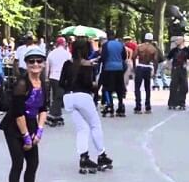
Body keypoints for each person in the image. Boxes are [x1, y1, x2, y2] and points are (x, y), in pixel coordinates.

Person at [1, 49, 50, 182]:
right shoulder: (22, 84)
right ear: (26, 64)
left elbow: (44, 108)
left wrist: (39, 130)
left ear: (43, 63)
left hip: (31, 123)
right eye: (31, 62)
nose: (35, 64)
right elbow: (18, 112)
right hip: (14, 126)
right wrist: (26, 137)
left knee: (33, 162)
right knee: (18, 162)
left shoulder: (44, 83)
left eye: (39, 61)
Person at [61, 39, 111, 173]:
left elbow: (61, 82)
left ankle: (84, 157)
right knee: (95, 125)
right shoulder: (87, 65)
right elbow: (88, 84)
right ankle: (102, 155)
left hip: (68, 97)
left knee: (82, 129)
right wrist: (95, 86)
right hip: (83, 97)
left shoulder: (67, 64)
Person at [100, 32, 127, 117]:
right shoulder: (120, 44)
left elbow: (103, 57)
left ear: (108, 37)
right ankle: (121, 105)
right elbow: (124, 56)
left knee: (107, 88)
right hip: (119, 68)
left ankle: (110, 105)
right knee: (119, 87)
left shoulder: (105, 45)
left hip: (109, 68)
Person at [45, 37, 71, 126]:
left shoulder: (51, 53)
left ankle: (58, 115)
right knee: (59, 97)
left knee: (56, 96)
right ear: (64, 43)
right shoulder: (67, 54)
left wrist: (46, 77)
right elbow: (70, 66)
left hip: (53, 77)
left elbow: (47, 66)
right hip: (62, 78)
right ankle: (51, 115)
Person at [133, 33, 159, 114]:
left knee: (137, 87)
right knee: (147, 88)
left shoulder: (139, 47)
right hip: (148, 67)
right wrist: (154, 71)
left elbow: (133, 57)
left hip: (140, 66)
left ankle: (138, 106)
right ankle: (148, 106)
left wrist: (134, 67)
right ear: (151, 40)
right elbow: (155, 61)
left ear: (144, 39)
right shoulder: (153, 49)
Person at [167, 37, 189, 110]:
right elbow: (168, 59)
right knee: (174, 86)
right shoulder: (174, 50)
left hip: (182, 69)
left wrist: (186, 65)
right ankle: (172, 102)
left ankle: (182, 102)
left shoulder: (186, 50)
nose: (176, 41)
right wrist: (169, 66)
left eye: (178, 40)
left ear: (182, 41)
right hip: (175, 69)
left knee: (184, 86)